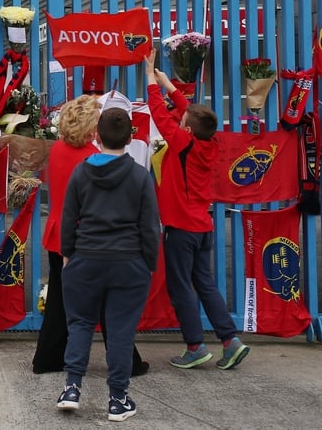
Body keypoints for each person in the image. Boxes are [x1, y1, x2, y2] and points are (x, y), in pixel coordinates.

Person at [144, 49, 250, 370]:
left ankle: (195, 346)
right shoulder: (209, 142)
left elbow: (159, 116)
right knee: (204, 283)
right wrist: (168, 84)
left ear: (186, 130)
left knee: (180, 288)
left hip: (180, 229)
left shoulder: (182, 143)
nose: (181, 117)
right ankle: (230, 341)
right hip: (202, 227)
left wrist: (150, 80)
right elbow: (187, 111)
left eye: (184, 120)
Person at [55, 107, 161, 422]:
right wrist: (149, 264)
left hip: (85, 259)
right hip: (129, 262)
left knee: (80, 324)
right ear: (130, 138)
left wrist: (67, 254)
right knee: (120, 331)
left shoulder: (81, 171)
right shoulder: (140, 176)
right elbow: (150, 227)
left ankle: (72, 388)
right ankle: (117, 399)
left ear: (97, 136)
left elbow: (68, 219)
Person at [32, 95, 149, 377]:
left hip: (59, 233)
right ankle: (127, 361)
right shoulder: (90, 159)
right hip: (86, 238)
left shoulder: (58, 149)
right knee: (110, 301)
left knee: (60, 301)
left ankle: (47, 358)